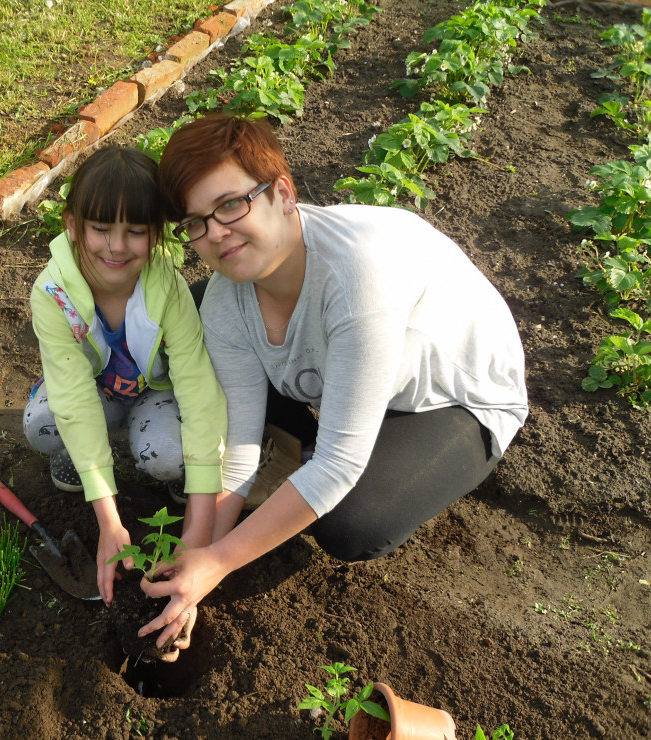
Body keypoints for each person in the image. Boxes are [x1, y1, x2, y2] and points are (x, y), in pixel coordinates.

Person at [137, 113, 529, 656]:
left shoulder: (357, 277)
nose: (215, 234)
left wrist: (221, 563)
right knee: (206, 311)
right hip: (351, 371)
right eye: (196, 223)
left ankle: (341, 451)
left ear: (282, 193)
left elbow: (341, 464)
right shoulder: (231, 297)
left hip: (452, 398)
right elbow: (238, 443)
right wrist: (192, 561)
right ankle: (308, 447)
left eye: (230, 205)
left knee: (351, 521)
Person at [21, 146, 227, 633]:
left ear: (155, 234)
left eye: (135, 232)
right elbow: (72, 397)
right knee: (45, 423)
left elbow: (198, 389)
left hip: (153, 394)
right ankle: (86, 465)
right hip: (97, 398)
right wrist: (109, 521)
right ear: (72, 224)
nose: (116, 247)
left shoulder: (168, 288)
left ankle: (177, 476)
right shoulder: (53, 295)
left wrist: (200, 529)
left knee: (165, 454)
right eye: (101, 229)